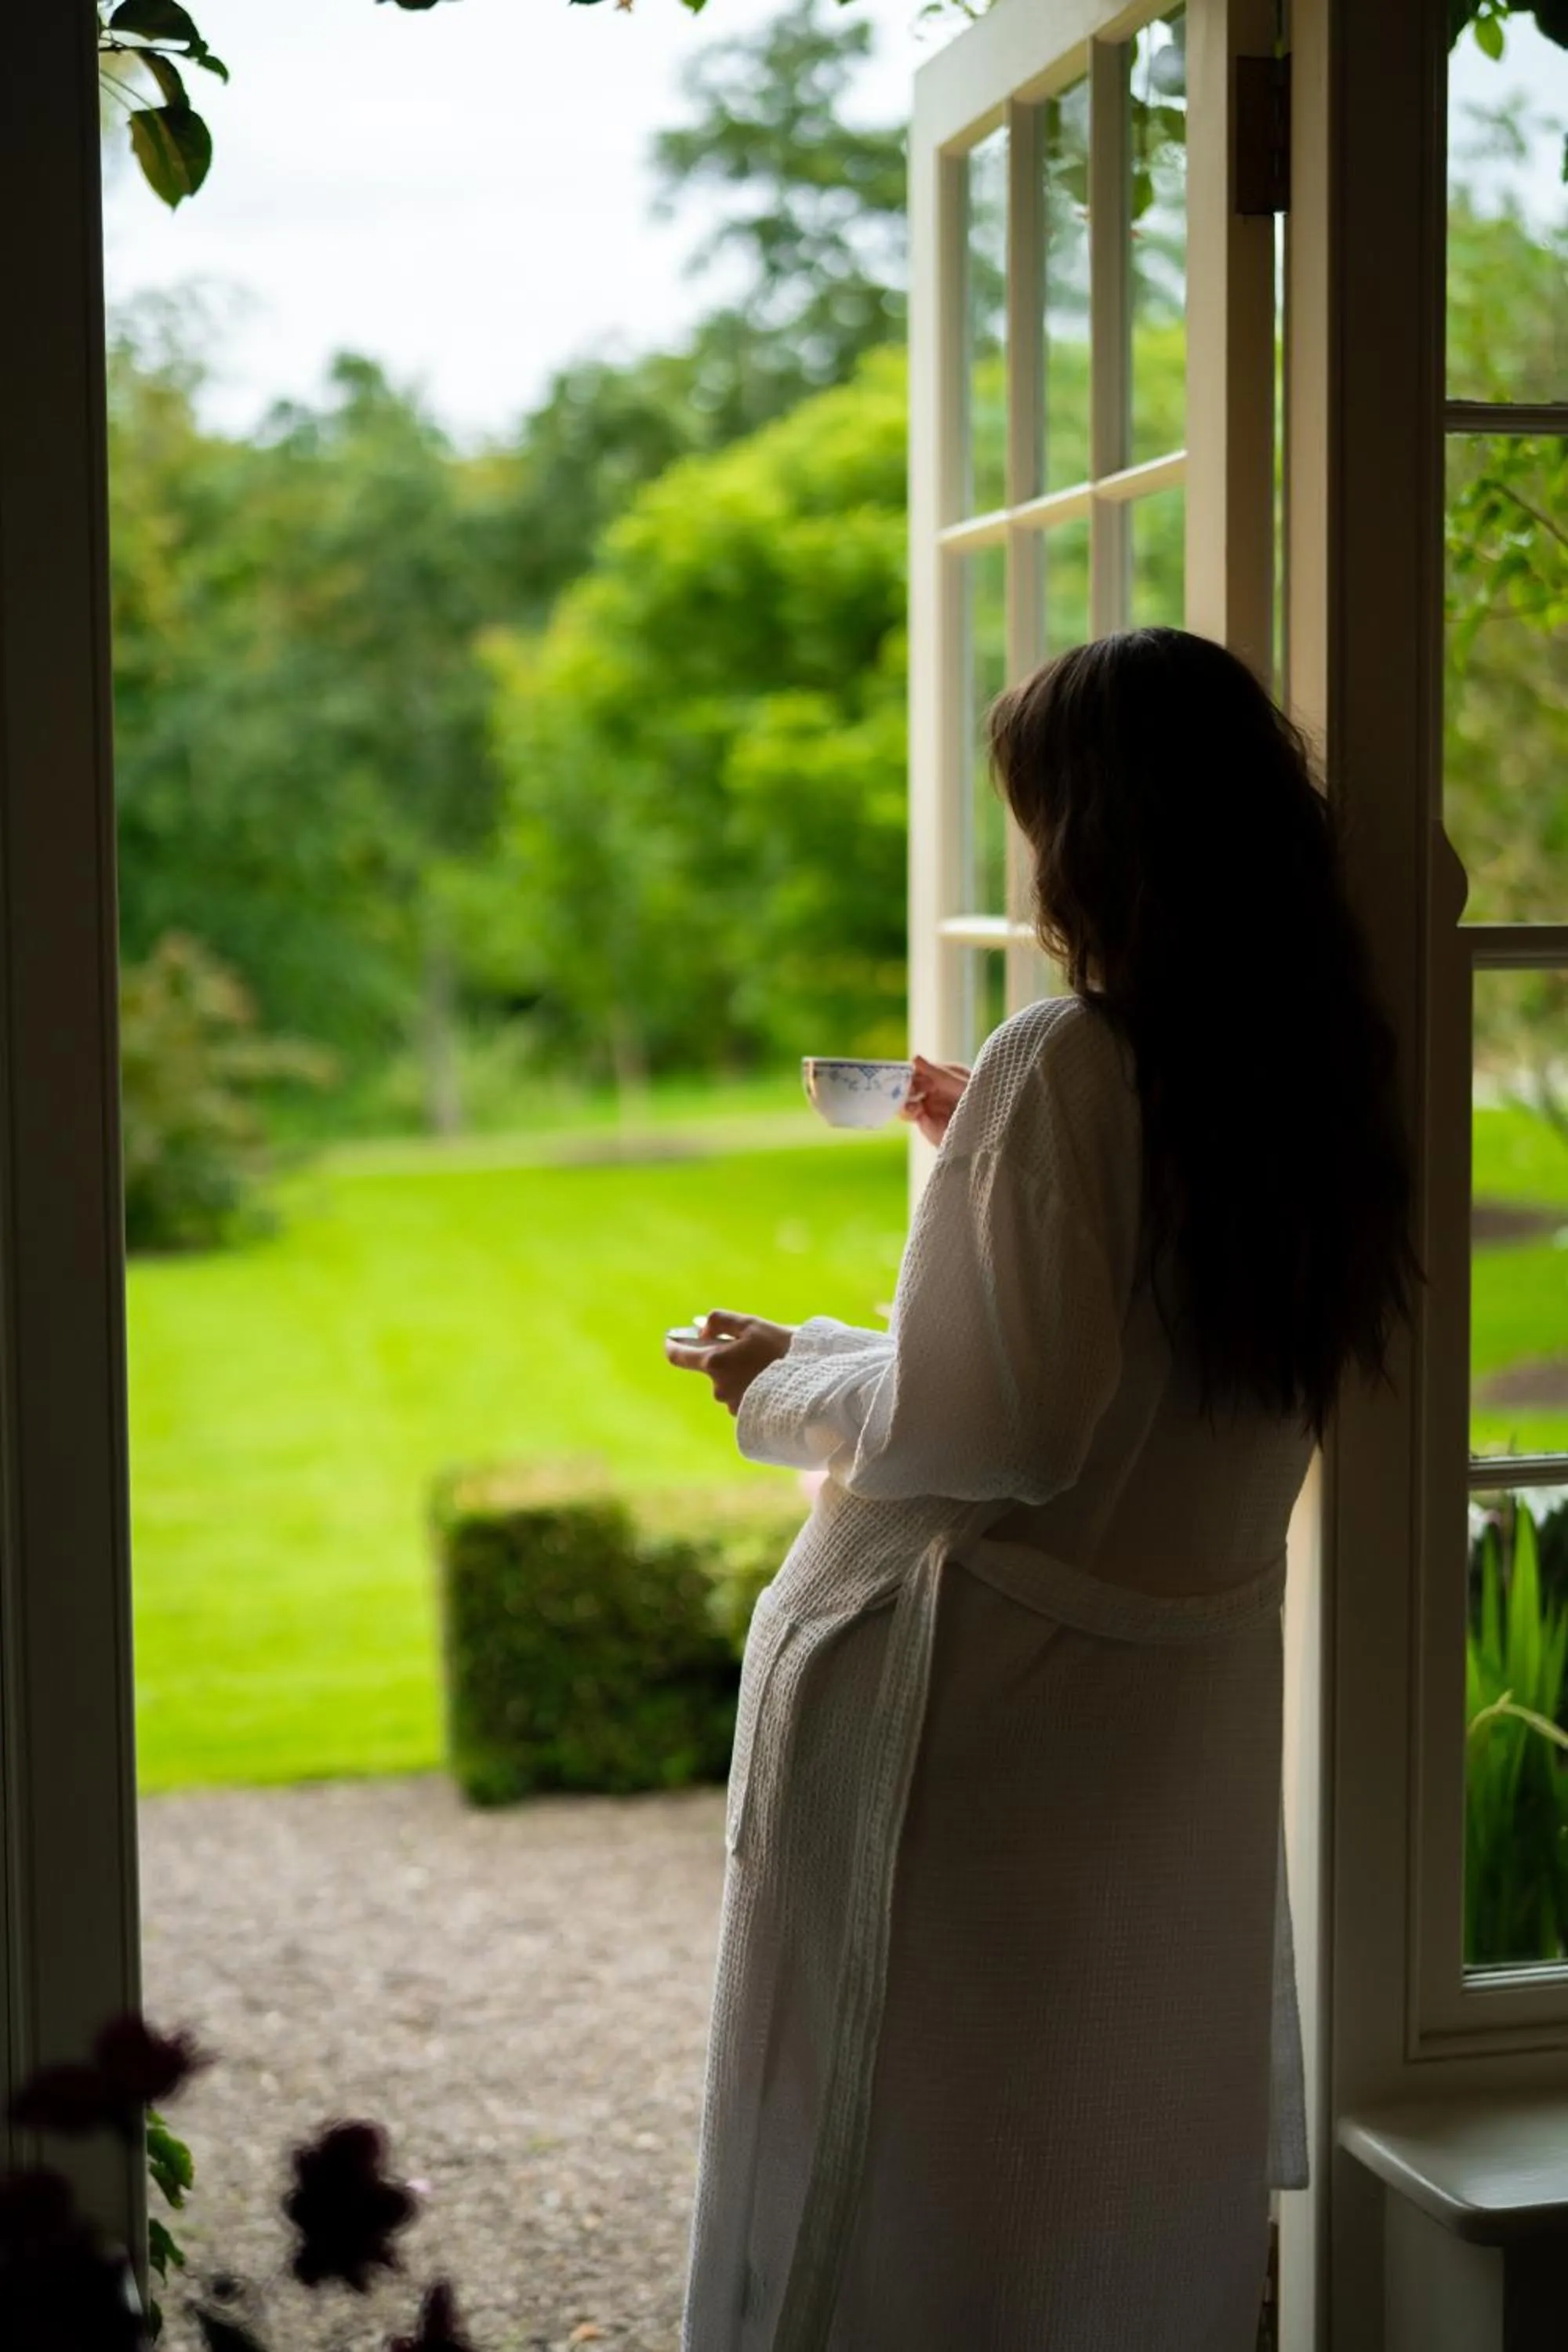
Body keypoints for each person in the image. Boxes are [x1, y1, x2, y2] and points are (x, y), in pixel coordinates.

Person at [665, 626, 1416, 2352]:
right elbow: (1129, 1377)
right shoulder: (1311, 1072)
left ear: (1103, 832)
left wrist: (776, 1370)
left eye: (1040, 813)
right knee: (1096, 2160)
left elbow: (989, 1424)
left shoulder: (1069, 1059)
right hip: (1166, 1727)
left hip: (986, 1717)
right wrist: (979, 1175)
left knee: (908, 2162)